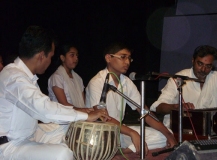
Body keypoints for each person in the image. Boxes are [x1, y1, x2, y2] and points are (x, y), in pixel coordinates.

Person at [0, 26, 110, 160]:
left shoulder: (26, 77)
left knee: (69, 130)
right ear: (41, 55)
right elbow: (44, 109)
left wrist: (84, 114)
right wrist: (86, 116)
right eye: (51, 56)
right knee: (62, 154)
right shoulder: (14, 77)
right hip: (9, 146)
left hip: (29, 135)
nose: (50, 61)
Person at [85, 42, 177, 155]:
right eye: (123, 57)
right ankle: (122, 150)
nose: (127, 62)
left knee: (164, 134)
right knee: (136, 135)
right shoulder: (97, 82)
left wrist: (168, 134)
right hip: (100, 133)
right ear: (108, 58)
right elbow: (102, 118)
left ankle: (122, 150)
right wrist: (132, 133)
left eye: (129, 58)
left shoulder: (126, 82)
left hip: (119, 131)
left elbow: (144, 112)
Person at [150, 45, 217, 128]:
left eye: (208, 66)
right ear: (193, 61)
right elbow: (158, 107)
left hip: (206, 132)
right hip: (177, 131)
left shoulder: (216, 78)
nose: (203, 70)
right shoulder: (178, 78)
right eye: (200, 64)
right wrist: (177, 107)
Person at [48, 44, 92, 113]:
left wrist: (86, 110)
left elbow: (83, 103)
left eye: (77, 55)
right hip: (61, 119)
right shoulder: (57, 77)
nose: (76, 58)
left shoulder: (78, 78)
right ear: (62, 58)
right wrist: (83, 110)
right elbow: (64, 104)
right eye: (72, 55)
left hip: (78, 117)